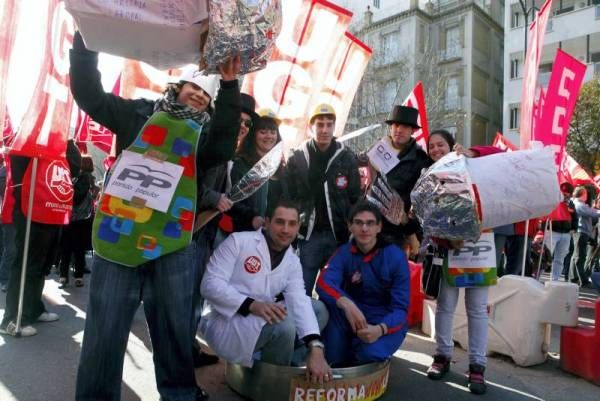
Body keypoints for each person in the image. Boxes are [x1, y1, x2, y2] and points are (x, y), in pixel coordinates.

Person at [69, 30, 241, 401]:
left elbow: (224, 144)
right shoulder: (137, 113)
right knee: (105, 331)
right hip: (119, 241)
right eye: (195, 87)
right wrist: (87, 38)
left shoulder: (204, 134)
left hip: (172, 244)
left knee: (174, 331)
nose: (199, 95)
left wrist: (229, 88)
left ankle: (180, 394)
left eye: (206, 95)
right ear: (178, 86)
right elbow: (89, 94)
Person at [199, 200, 332, 383]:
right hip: (227, 323)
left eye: (292, 224)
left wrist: (316, 348)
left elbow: (299, 300)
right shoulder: (239, 242)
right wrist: (252, 305)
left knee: (319, 310)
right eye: (279, 222)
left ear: (298, 227)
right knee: (284, 327)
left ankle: (284, 364)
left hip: (262, 319)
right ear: (267, 222)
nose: (285, 230)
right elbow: (209, 285)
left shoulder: (292, 260)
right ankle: (272, 386)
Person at [191, 92, 259, 367]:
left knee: (198, 294)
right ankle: (182, 357)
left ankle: (189, 347)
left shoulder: (234, 154)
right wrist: (212, 197)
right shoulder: (206, 140)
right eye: (238, 120)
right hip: (191, 232)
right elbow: (187, 177)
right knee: (189, 296)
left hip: (209, 232)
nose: (241, 127)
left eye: (247, 124)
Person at [423, 130, 493, 395]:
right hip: (447, 251)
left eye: (441, 145)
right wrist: (445, 236)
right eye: (431, 147)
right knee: (445, 306)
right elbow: (426, 215)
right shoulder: (428, 176)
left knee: (476, 308)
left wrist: (473, 153)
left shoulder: (472, 165)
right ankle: (442, 356)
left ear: (452, 146)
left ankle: (477, 365)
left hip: (480, 248)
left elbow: (500, 157)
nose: (436, 150)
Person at [316, 201, 410, 366]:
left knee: (368, 354)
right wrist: (346, 303)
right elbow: (324, 282)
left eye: (370, 223)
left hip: (383, 320)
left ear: (379, 227)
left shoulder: (396, 257)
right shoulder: (344, 252)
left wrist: (381, 329)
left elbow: (401, 309)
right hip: (351, 317)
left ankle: (364, 350)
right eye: (358, 223)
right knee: (333, 358)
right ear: (350, 226)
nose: (364, 229)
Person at [287, 103, 361, 295]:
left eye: (329, 124)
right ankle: (305, 326)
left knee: (335, 294)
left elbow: (355, 197)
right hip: (308, 235)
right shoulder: (297, 157)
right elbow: (290, 197)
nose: (324, 130)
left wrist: (352, 228)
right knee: (301, 292)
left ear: (334, 127)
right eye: (320, 124)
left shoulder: (346, 157)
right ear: (311, 127)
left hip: (338, 235)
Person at [376, 105, 430, 254]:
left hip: (397, 233)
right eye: (396, 125)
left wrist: (411, 233)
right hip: (369, 227)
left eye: (405, 126)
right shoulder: (376, 150)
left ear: (412, 130)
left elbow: (421, 204)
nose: (398, 129)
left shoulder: (421, 160)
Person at [229, 108, 287, 231]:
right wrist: (252, 218)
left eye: (272, 132)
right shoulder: (240, 164)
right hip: (241, 231)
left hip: (271, 234)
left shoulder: (281, 169)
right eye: (263, 131)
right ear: (253, 134)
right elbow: (231, 200)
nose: (269, 136)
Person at [58, 154, 95, 288]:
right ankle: (66, 275)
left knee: (74, 248)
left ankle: (76, 276)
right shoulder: (72, 175)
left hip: (78, 218)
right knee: (68, 248)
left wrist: (68, 189)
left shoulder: (84, 177)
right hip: (73, 217)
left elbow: (78, 196)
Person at [569, 186, 600, 286]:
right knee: (579, 257)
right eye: (586, 193)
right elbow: (592, 213)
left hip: (581, 232)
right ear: (582, 194)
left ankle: (574, 278)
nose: (587, 195)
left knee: (577, 256)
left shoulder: (578, 203)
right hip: (581, 232)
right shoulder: (579, 204)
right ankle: (582, 280)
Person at [545, 182, 575, 281]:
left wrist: (573, 228)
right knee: (546, 257)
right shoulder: (553, 200)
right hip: (552, 231)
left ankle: (554, 280)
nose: (566, 194)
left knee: (559, 259)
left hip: (565, 233)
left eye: (568, 193)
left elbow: (575, 217)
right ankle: (537, 278)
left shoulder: (570, 203)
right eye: (564, 192)